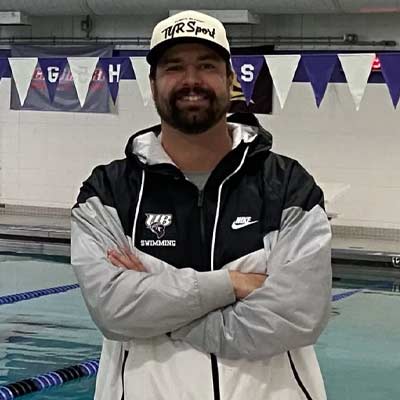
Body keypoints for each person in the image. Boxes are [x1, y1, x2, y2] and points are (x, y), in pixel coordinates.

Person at [71, 10, 332, 400]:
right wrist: (234, 284)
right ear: (153, 83)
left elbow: (296, 315)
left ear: (230, 80)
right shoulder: (108, 192)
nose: (191, 80)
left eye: (207, 66)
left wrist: (159, 308)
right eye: (174, 67)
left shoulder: (288, 186)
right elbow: (114, 309)